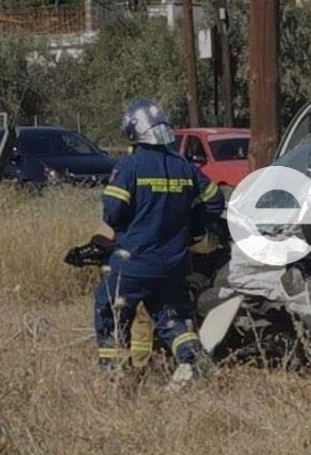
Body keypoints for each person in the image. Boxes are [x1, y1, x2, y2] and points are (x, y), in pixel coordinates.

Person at [95, 98, 225, 384]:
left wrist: (134, 227)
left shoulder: (129, 167)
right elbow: (215, 202)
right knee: (174, 321)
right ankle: (196, 363)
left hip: (134, 263)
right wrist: (192, 228)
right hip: (173, 264)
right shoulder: (185, 167)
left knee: (111, 312)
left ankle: (115, 379)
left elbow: (113, 213)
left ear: (134, 131)